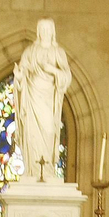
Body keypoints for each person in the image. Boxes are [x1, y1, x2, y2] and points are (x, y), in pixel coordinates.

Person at [13, 17, 71, 182]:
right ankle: (32, 170)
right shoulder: (30, 51)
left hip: (49, 99)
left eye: (48, 29)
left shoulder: (58, 52)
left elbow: (66, 77)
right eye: (42, 29)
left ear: (53, 32)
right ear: (38, 32)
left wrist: (52, 70)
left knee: (48, 130)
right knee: (32, 133)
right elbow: (21, 73)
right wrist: (18, 77)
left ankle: (48, 170)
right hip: (32, 98)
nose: (45, 32)